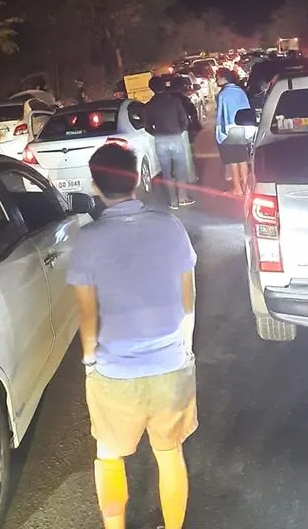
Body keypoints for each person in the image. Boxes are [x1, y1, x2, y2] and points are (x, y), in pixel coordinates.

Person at [67, 143, 197, 529]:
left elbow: (87, 315)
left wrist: (90, 363)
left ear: (95, 186)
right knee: (170, 454)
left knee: (107, 455)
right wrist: (184, 347)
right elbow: (187, 299)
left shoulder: (87, 241)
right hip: (170, 364)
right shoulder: (170, 227)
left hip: (114, 372)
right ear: (136, 180)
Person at [144, 75, 194, 208]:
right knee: (180, 169)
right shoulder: (174, 101)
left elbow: (147, 125)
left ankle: (173, 201)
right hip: (175, 137)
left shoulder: (149, 105)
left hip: (160, 140)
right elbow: (185, 120)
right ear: (164, 86)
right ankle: (182, 197)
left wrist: (156, 133)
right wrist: (180, 130)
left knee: (166, 172)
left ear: (151, 89)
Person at [215, 67, 252, 197]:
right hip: (243, 129)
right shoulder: (240, 91)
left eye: (217, 77)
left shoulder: (222, 94)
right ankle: (247, 188)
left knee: (233, 161)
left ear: (223, 78)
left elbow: (221, 116)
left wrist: (219, 135)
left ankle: (237, 189)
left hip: (229, 131)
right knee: (243, 159)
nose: (216, 80)